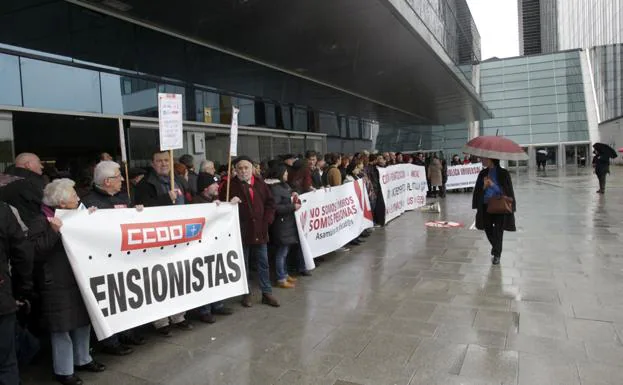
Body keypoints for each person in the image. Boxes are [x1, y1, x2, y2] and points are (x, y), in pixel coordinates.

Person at [29, 179, 106, 385]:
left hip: (78, 276)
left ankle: (83, 358)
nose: (78, 198)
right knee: (61, 327)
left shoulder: (77, 215)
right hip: (56, 281)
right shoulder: (41, 220)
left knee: (82, 320)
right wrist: (53, 231)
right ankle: (64, 370)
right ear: (61, 204)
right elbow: (34, 252)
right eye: (73, 195)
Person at [81, 161, 146, 355]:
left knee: (128, 298)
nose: (123, 179)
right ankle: (111, 341)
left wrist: (138, 213)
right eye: (119, 176)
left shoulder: (124, 197)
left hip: (126, 258)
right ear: (108, 181)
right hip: (104, 262)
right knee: (110, 301)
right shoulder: (89, 202)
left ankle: (128, 332)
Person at [134, 151, 193, 336]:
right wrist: (167, 198)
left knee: (178, 278)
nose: (163, 164)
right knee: (159, 281)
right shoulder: (145, 184)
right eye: (159, 161)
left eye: (166, 160)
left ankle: (179, 316)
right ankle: (161, 321)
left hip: (180, 238)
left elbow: (193, 201)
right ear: (152, 163)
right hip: (158, 241)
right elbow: (143, 207)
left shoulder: (180, 181)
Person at [220, 156, 278, 307]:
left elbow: (270, 204)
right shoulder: (229, 186)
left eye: (246, 167)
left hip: (260, 230)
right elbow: (221, 206)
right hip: (241, 231)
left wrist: (267, 221)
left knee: (263, 262)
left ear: (252, 169)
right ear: (235, 170)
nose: (243, 171)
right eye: (240, 168)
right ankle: (246, 293)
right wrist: (228, 203)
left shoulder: (260, 184)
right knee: (243, 263)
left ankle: (267, 292)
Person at [191, 177, 234, 323]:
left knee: (215, 275)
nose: (217, 186)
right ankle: (204, 310)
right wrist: (211, 208)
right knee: (204, 277)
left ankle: (217, 304)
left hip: (214, 245)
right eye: (213, 184)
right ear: (205, 188)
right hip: (202, 248)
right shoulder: (197, 202)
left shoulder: (213, 200)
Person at [0, 202, 33, 385]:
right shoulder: (4, 211)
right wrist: (23, 290)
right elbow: (22, 254)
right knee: (5, 361)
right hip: (2, 296)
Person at [472, 158, 516, 265]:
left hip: (499, 205)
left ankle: (497, 255)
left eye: (484, 159)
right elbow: (478, 190)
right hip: (485, 205)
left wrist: (493, 185)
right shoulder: (483, 173)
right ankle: (496, 247)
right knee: (487, 227)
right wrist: (484, 186)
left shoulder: (503, 173)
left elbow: (506, 191)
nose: (482, 160)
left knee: (498, 230)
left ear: (491, 160)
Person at [265, 164, 301, 289]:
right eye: (285, 173)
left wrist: (294, 194)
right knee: (282, 252)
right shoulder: (274, 188)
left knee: (284, 251)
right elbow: (275, 208)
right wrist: (292, 207)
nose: (287, 175)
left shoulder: (282, 186)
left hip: (286, 224)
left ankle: (284, 274)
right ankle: (280, 277)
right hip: (281, 225)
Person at [0, 152, 46, 227]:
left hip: (5, 230)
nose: (42, 166)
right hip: (29, 230)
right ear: (28, 165)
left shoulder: (3, 181)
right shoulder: (31, 182)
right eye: (39, 162)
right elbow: (47, 203)